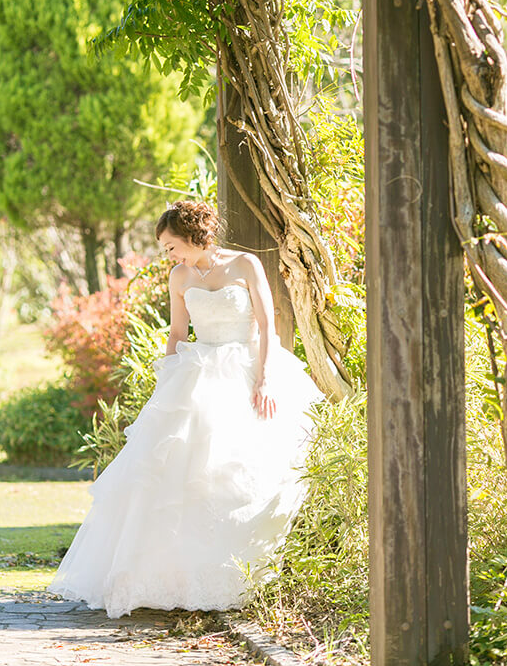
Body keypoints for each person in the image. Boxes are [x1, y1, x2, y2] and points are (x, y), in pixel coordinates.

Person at [48, 199, 323, 618]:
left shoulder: (246, 265)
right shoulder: (180, 276)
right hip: (199, 373)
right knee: (183, 477)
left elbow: (267, 325)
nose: (169, 255)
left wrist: (264, 378)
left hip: (246, 369)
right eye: (165, 249)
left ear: (194, 234)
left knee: (241, 472)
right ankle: (179, 577)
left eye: (171, 245)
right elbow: (178, 334)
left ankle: (244, 574)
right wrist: (168, 385)